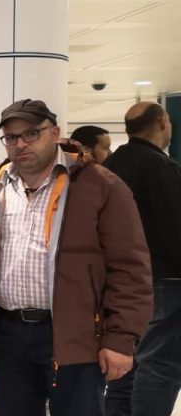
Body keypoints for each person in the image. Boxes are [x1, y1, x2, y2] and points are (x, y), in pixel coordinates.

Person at [0, 99, 152, 416]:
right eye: (11, 137)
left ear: (54, 133)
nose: (21, 144)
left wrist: (120, 339)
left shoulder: (100, 186)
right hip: (8, 336)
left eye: (31, 133)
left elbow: (130, 268)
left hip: (74, 334)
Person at [102, 102, 181, 416]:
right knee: (160, 365)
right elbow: (174, 228)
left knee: (124, 365)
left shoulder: (108, 167)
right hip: (162, 283)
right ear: (163, 122)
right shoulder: (162, 167)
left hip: (117, 284)